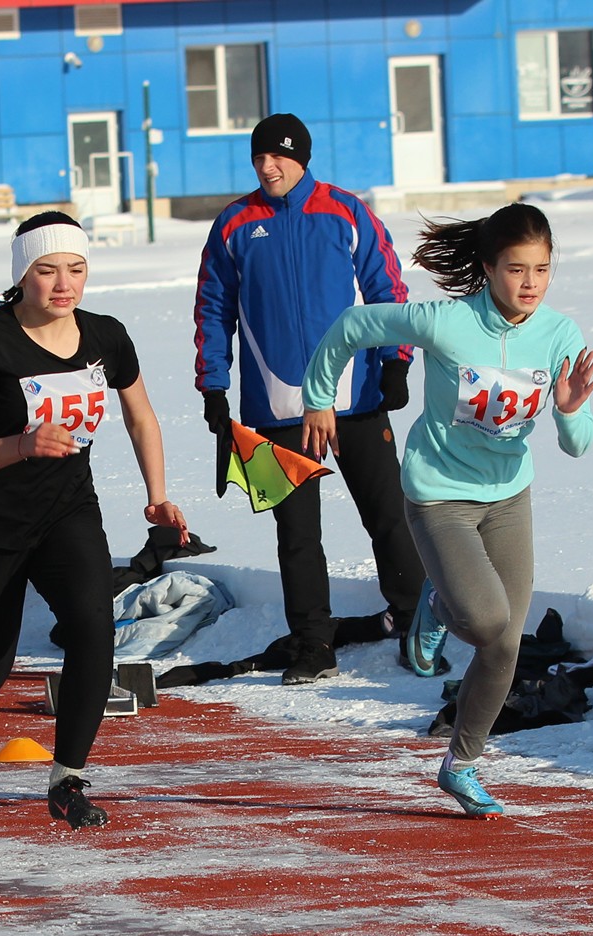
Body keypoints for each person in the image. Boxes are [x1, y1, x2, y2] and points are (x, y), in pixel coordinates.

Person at [302, 202, 593, 818]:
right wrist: (318, 398)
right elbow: (352, 326)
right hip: (439, 494)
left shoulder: (559, 335)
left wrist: (569, 408)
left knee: (503, 646)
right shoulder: (445, 322)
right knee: (488, 620)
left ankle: (460, 764)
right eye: (517, 269)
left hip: (509, 497)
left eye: (542, 270)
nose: (530, 284)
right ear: (489, 268)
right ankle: (439, 606)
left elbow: (578, 445)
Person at [0, 213, 184, 831]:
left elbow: (141, 418)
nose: (63, 284)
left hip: (68, 512)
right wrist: (23, 444)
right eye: (47, 271)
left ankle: (67, 778)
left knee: (93, 630)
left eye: (75, 269)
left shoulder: (106, 336)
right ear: (22, 275)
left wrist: (157, 497)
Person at [193, 113, 427, 685]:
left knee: (389, 517)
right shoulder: (234, 224)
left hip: (357, 398)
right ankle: (312, 643)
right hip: (274, 408)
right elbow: (213, 309)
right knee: (296, 534)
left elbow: (387, 291)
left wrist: (396, 360)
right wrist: (214, 389)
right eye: (259, 157)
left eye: (279, 156)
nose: (268, 166)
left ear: (302, 158)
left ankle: (419, 622)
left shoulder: (346, 211)